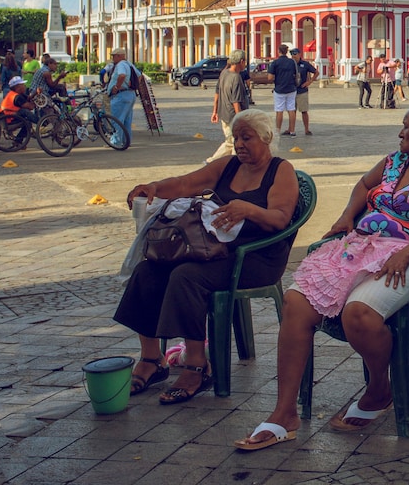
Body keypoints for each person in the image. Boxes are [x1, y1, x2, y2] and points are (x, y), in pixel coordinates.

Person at [234, 101, 409, 451]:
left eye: (406, 126)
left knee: (358, 313)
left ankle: (380, 389)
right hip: (360, 248)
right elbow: (363, 186)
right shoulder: (393, 161)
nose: (400, 132)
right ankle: (284, 414)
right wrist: (348, 216)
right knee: (295, 302)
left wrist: (407, 252)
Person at [116, 109, 300, 405]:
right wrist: (155, 188)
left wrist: (248, 209)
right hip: (215, 249)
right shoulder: (227, 165)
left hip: (256, 257)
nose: (239, 144)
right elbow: (186, 184)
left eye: (246, 137)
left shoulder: (281, 170)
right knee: (148, 271)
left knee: (186, 276)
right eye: (235, 137)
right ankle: (152, 358)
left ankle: (197, 366)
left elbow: (280, 219)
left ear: (265, 138)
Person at [208, 50, 250, 162]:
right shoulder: (235, 77)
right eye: (244, 61)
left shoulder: (224, 73)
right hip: (232, 116)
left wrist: (215, 111)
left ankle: (214, 161)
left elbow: (217, 92)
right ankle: (222, 163)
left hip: (224, 114)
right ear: (241, 61)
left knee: (230, 142)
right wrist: (240, 118)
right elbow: (235, 101)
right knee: (235, 143)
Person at [107, 48, 140, 147]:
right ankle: (126, 141)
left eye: (114, 56)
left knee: (117, 119)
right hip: (130, 94)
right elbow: (140, 76)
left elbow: (122, 75)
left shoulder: (121, 65)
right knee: (126, 120)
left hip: (121, 95)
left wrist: (116, 87)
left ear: (119, 56)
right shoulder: (129, 64)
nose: (113, 58)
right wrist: (133, 86)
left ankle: (116, 142)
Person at [266, 44, 300, 137]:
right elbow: (296, 74)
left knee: (279, 110)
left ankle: (277, 130)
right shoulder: (292, 62)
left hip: (279, 89)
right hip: (292, 88)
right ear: (287, 52)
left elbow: (270, 77)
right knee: (291, 109)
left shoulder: (275, 63)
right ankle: (292, 131)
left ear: (278, 51)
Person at [0, 76, 36, 143]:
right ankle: (18, 141)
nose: (25, 86)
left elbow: (28, 98)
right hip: (8, 120)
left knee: (23, 112)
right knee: (26, 117)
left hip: (5, 116)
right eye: (23, 85)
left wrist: (35, 93)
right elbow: (30, 107)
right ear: (17, 87)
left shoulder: (14, 93)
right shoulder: (17, 97)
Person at [290, 48, 319, 135]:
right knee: (292, 111)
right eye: (292, 54)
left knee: (304, 111)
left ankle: (306, 129)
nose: (293, 56)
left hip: (302, 90)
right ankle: (291, 129)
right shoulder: (290, 64)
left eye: (295, 54)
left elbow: (316, 72)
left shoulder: (305, 64)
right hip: (291, 90)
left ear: (299, 54)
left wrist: (310, 81)